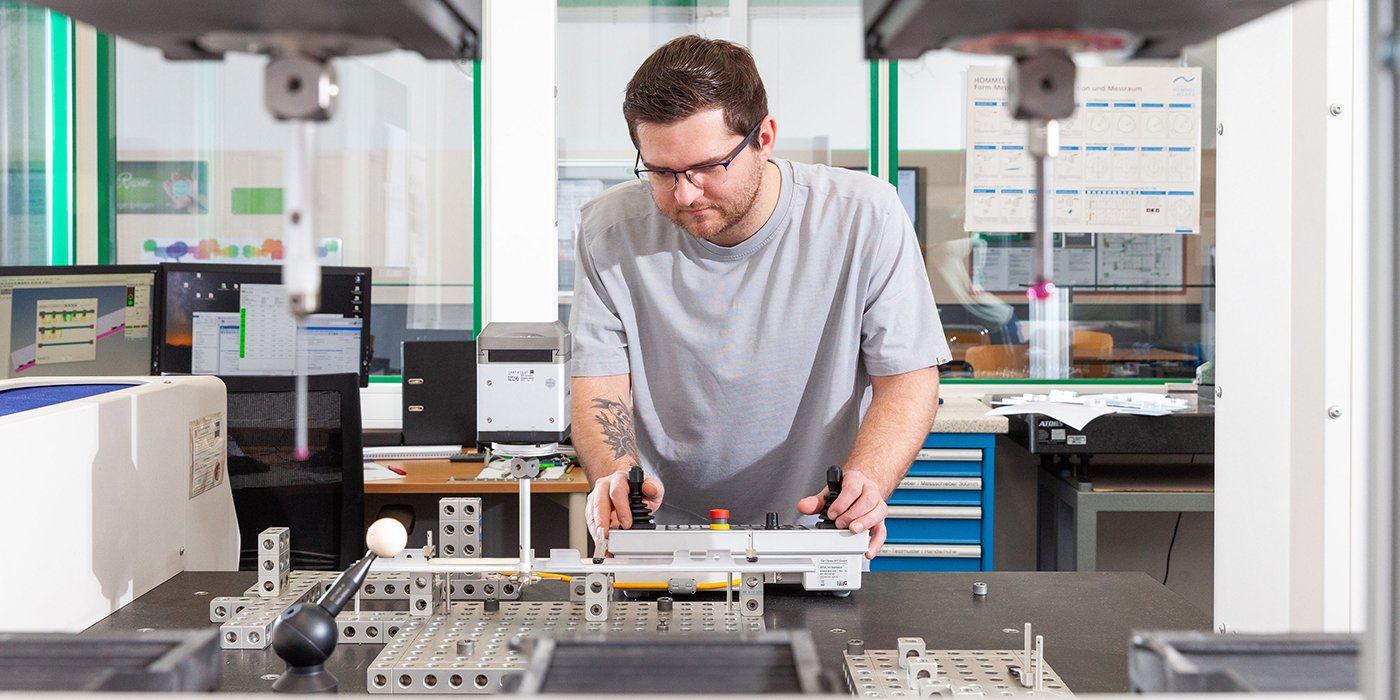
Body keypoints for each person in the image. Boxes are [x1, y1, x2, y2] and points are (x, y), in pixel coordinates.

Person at [568, 35, 950, 559]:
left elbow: (908, 382)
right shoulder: (608, 231)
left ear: (764, 137)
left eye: (706, 167)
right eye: (659, 172)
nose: (684, 194)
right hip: (657, 539)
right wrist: (615, 478)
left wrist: (867, 483)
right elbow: (599, 386)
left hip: (817, 531)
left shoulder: (865, 217)